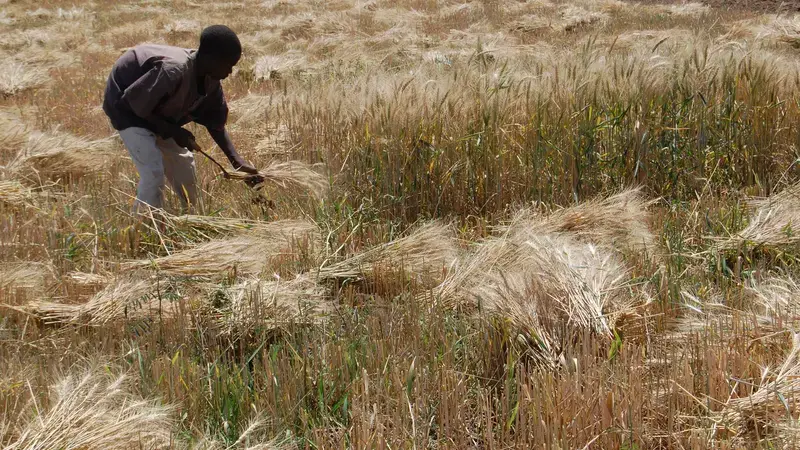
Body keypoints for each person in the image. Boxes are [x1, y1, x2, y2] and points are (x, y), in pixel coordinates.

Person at [102, 24, 258, 213]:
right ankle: (143, 227)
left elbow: (215, 123)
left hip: (157, 112)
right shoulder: (172, 70)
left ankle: (194, 216)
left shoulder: (211, 81)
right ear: (210, 58)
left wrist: (236, 161)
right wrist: (174, 131)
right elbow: (134, 104)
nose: (231, 72)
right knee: (153, 172)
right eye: (228, 65)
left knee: (185, 168)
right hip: (126, 107)